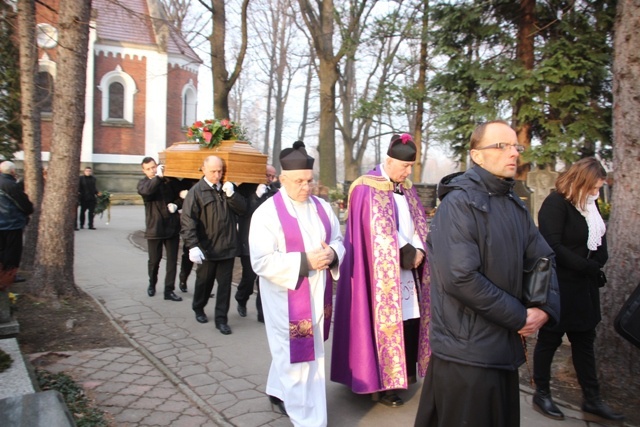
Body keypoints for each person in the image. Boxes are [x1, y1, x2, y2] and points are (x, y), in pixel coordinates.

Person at [414, 120, 561, 427]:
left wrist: (544, 307)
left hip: (501, 349)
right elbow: (460, 278)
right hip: (466, 355)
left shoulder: (512, 203)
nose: (513, 153)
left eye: (515, 146)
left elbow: (543, 258)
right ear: (477, 156)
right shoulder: (459, 204)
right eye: (501, 146)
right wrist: (520, 317)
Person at [331, 133, 431, 407]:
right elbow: (375, 229)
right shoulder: (366, 187)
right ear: (389, 160)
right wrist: (405, 251)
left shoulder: (407, 188)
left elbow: (418, 221)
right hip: (378, 275)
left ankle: (403, 376)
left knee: (407, 322)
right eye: (405, 166)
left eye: (411, 166)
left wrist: (420, 249)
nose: (408, 172)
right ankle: (380, 386)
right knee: (381, 323)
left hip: (408, 271)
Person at [249, 141, 345, 426]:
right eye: (299, 181)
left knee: (296, 352)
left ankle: (277, 390)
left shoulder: (323, 208)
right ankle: (308, 419)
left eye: (310, 181)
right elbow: (261, 261)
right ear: (282, 179)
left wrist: (333, 253)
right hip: (286, 298)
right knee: (300, 361)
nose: (306, 187)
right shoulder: (266, 214)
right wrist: (304, 262)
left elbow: (339, 241)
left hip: (319, 294)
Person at [532, 158, 624, 423]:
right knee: (549, 340)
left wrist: (597, 264)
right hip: (560, 285)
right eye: (596, 184)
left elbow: (600, 241)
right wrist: (586, 266)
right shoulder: (556, 203)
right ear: (583, 180)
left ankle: (592, 399)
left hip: (584, 287)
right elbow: (553, 245)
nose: (598, 190)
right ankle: (542, 392)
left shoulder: (590, 206)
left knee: (584, 344)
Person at [181, 155, 247, 335]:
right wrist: (193, 245)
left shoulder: (226, 188)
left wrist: (232, 195)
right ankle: (198, 307)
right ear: (203, 169)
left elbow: (243, 209)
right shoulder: (196, 192)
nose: (217, 175)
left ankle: (221, 319)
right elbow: (188, 220)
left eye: (220, 171)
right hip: (207, 249)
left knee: (224, 286)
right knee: (204, 282)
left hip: (227, 247)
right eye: (213, 171)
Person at [235, 164, 279, 322]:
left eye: (273, 176)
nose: (270, 179)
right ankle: (241, 298)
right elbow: (244, 211)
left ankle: (262, 312)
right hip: (249, 240)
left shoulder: (275, 191)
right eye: (268, 175)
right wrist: (256, 196)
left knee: (264, 278)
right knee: (249, 276)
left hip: (269, 242)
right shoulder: (247, 189)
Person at [137, 157, 183, 302]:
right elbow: (147, 192)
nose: (152, 170)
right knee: (154, 260)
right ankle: (152, 284)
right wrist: (158, 177)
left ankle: (169, 290)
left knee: (172, 261)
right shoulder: (144, 183)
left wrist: (177, 205)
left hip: (171, 226)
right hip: (154, 228)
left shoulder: (169, 181)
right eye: (149, 168)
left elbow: (182, 195)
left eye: (154, 167)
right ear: (143, 170)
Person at [0, 161, 34, 283]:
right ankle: (9, 275)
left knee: (2, 250)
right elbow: (24, 204)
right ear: (13, 171)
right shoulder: (11, 185)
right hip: (11, 222)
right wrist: (29, 210)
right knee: (12, 251)